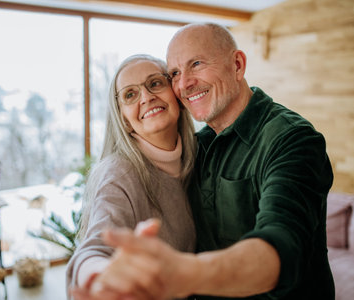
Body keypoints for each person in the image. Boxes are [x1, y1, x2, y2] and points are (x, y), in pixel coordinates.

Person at [86, 23, 335, 300]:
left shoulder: (292, 139)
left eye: (197, 64)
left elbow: (282, 245)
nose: (184, 84)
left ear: (237, 65)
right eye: (175, 73)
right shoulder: (197, 147)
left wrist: (185, 274)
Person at [65, 54, 197, 299]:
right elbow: (94, 249)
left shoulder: (199, 157)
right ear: (124, 120)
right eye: (130, 94)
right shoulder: (119, 172)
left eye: (155, 83)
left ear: (176, 95)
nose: (146, 97)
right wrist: (100, 277)